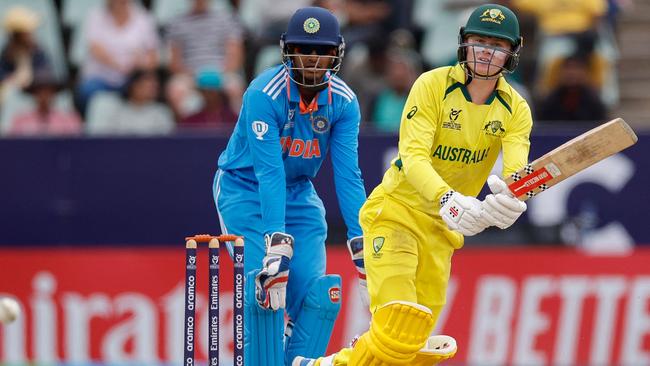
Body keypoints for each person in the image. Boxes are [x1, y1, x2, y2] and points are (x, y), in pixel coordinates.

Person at [293, 4, 532, 366]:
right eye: (479, 41)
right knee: (397, 324)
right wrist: (449, 198)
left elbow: (515, 176)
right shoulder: (432, 85)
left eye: (497, 44)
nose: (486, 51)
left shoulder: (516, 109)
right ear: (463, 43)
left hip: (440, 232)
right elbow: (414, 156)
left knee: (414, 346)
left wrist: (508, 204)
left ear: (512, 52)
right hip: (397, 215)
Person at [212, 7, 367, 366]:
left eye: (321, 51)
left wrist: (363, 247)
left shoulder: (343, 102)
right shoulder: (263, 94)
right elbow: (268, 173)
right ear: (288, 50)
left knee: (319, 298)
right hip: (243, 190)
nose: (312, 59)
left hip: (299, 192)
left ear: (336, 53)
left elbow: (348, 175)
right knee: (266, 287)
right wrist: (275, 242)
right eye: (304, 49)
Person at [7, 70, 82, 136]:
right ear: (34, 93)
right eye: (39, 91)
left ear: (54, 93)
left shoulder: (68, 120)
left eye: (48, 91)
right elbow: (15, 147)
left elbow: (76, 145)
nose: (44, 95)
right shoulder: (21, 121)